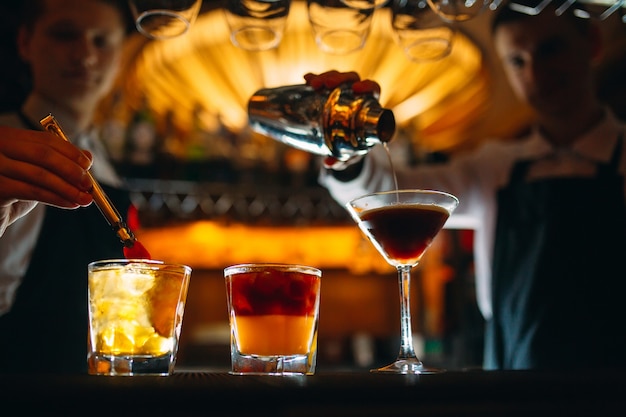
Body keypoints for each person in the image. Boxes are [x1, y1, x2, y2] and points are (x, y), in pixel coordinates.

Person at [316, 4, 626, 370]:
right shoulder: (494, 165)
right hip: (511, 379)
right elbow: (389, 193)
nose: (535, 73)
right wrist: (348, 144)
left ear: (591, 43)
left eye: (550, 49)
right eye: (516, 61)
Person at [0, 0, 134, 373]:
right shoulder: (5, 147)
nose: (84, 55)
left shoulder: (107, 165)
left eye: (102, 41)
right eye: (64, 35)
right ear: (25, 43)